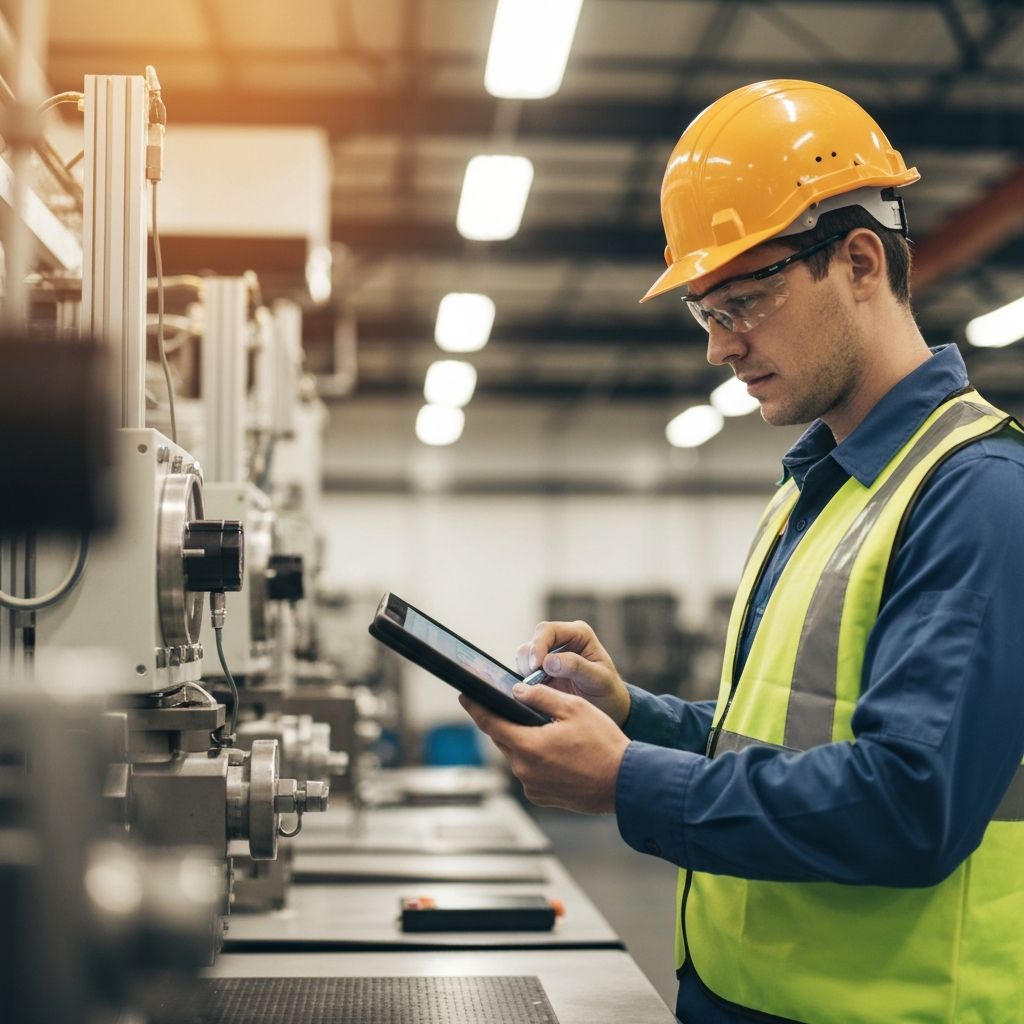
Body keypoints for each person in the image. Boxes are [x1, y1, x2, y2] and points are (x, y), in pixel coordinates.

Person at [459, 80, 1024, 1024]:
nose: (720, 348)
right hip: (741, 998)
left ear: (857, 262)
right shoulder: (815, 487)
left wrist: (624, 780)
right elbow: (779, 739)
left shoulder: (977, 494)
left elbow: (908, 807)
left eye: (742, 301)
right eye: (705, 313)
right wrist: (633, 714)